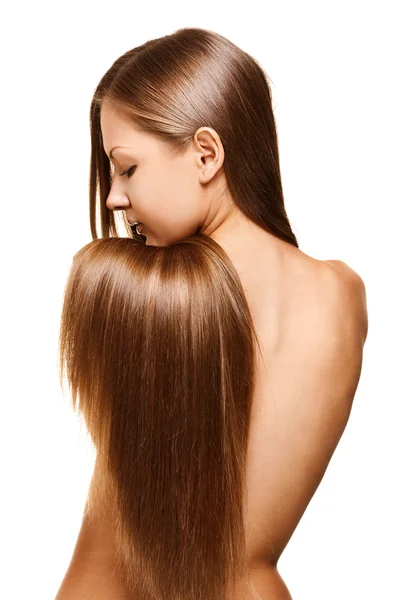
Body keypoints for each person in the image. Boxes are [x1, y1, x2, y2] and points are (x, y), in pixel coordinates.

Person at [54, 27, 368, 600]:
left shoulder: (163, 301)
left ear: (206, 154)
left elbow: (103, 554)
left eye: (126, 169)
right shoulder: (344, 292)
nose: (113, 198)